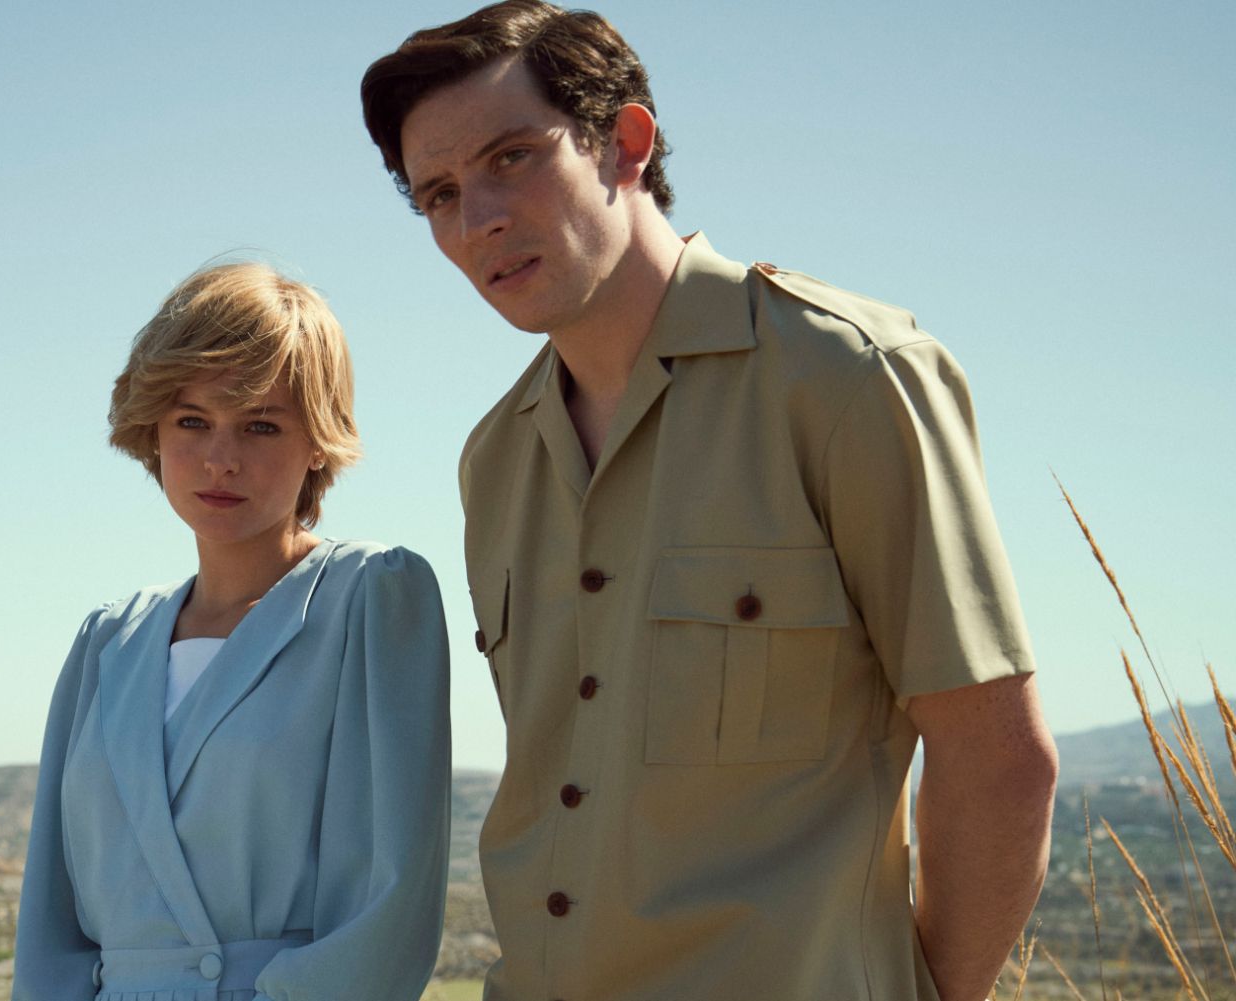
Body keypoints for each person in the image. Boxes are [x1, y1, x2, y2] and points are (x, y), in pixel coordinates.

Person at [359, 4, 1059, 1000]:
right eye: (437, 193)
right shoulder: (495, 457)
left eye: (511, 157)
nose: (477, 220)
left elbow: (997, 763)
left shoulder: (845, 377)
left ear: (625, 143)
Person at [10, 262, 452, 1001]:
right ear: (151, 429)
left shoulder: (371, 600)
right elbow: (49, 926)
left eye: (261, 424)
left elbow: (390, 909)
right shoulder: (107, 643)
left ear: (318, 439)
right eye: (192, 421)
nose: (221, 457)